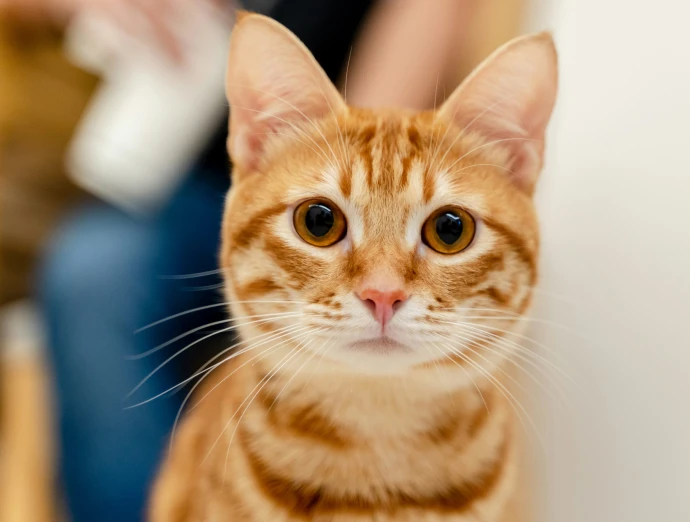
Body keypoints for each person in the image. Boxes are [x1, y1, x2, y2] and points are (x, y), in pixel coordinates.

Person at [0, 0, 474, 519]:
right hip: (165, 182)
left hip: (313, 189)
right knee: (91, 273)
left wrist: (328, 200)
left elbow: (368, 182)